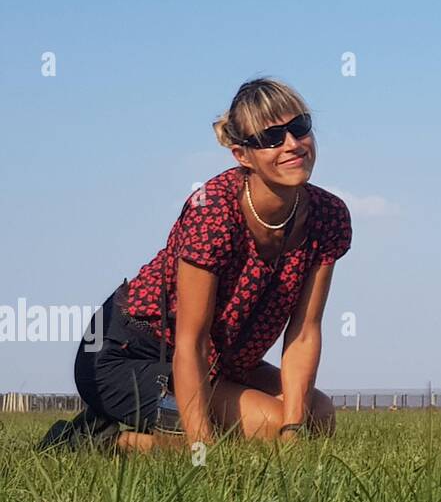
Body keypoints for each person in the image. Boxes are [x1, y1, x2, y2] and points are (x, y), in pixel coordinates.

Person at [38, 77, 352, 453]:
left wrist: (294, 431)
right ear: (241, 154)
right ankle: (96, 441)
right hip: (134, 352)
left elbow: (304, 332)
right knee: (263, 428)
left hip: (224, 361)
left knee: (318, 415)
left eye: (299, 127)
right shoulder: (214, 211)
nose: (292, 145)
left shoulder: (328, 216)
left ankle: (160, 431)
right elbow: (191, 341)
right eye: (271, 138)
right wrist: (200, 451)